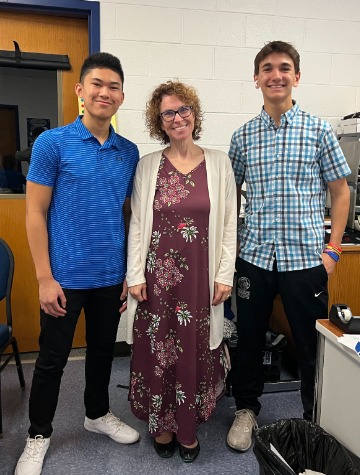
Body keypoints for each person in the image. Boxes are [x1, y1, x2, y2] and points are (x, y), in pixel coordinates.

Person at [15, 52, 140, 475]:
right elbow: (35, 212)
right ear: (80, 91)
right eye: (98, 84)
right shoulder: (53, 142)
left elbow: (126, 215)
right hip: (64, 277)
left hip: (109, 277)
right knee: (52, 360)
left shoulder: (129, 151)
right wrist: (44, 277)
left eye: (114, 86)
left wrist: (127, 271)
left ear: (122, 96)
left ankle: (97, 414)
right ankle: (38, 435)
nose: (105, 92)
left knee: (104, 353)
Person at [227, 41, 351, 452]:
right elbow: (231, 196)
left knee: (312, 344)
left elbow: (340, 192)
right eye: (267, 68)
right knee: (248, 339)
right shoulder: (243, 136)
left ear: (296, 77)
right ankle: (246, 409)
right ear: (257, 78)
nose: (275, 75)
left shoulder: (318, 131)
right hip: (255, 258)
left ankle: (316, 418)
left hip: (305, 260)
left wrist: (332, 251)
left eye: (284, 68)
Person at [126, 80, 237, 463]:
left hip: (199, 281)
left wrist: (225, 273)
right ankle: (163, 425)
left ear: (194, 113)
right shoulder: (147, 166)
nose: (177, 118)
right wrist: (134, 276)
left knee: (192, 350)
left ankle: (187, 428)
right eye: (168, 113)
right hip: (157, 278)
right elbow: (138, 224)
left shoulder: (220, 163)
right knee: (159, 350)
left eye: (183, 110)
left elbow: (228, 226)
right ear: (160, 122)